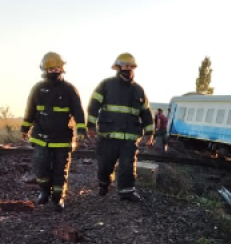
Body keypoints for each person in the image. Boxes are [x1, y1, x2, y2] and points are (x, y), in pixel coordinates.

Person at [21, 52, 86, 211]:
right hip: (41, 136)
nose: (54, 70)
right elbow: (30, 110)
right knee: (41, 165)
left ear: (62, 68)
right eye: (50, 68)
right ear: (45, 69)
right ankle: (44, 191)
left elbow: (78, 111)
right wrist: (25, 128)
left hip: (62, 137)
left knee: (59, 168)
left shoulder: (70, 89)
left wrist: (81, 130)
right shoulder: (38, 88)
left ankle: (58, 198)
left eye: (57, 67)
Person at [87, 53, 154, 202]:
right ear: (118, 67)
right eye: (125, 65)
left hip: (129, 137)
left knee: (127, 166)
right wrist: (90, 125)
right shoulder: (106, 85)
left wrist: (149, 133)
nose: (128, 69)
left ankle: (126, 192)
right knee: (105, 166)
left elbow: (146, 113)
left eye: (131, 66)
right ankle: (104, 184)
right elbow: (93, 106)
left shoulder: (138, 90)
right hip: (108, 136)